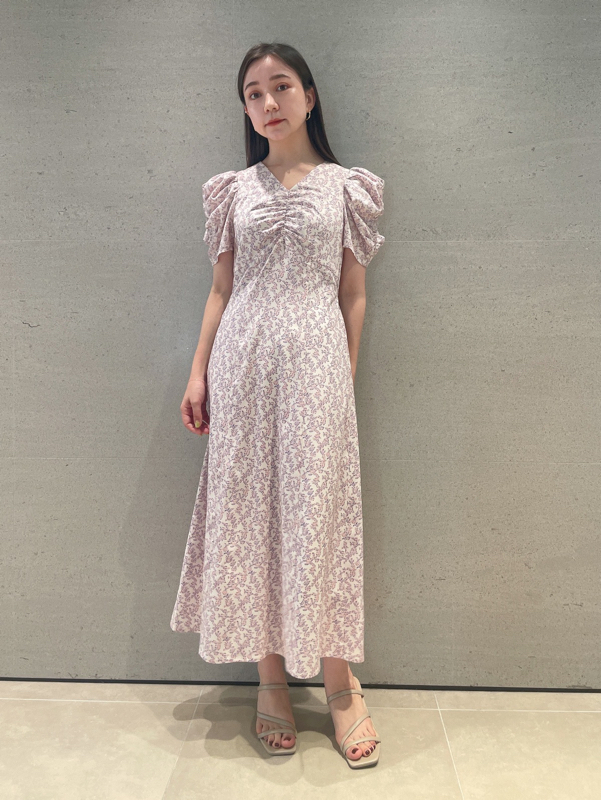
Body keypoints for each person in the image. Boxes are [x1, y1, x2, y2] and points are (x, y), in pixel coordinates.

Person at [170, 41, 385, 769]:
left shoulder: (348, 188)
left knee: (319, 515)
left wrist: (341, 378)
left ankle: (340, 684)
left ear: (309, 96)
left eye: (281, 86)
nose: (268, 103)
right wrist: (198, 373)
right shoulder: (232, 190)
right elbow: (220, 289)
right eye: (254, 93)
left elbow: (353, 294)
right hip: (242, 364)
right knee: (250, 514)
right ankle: (270, 680)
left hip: (317, 365)